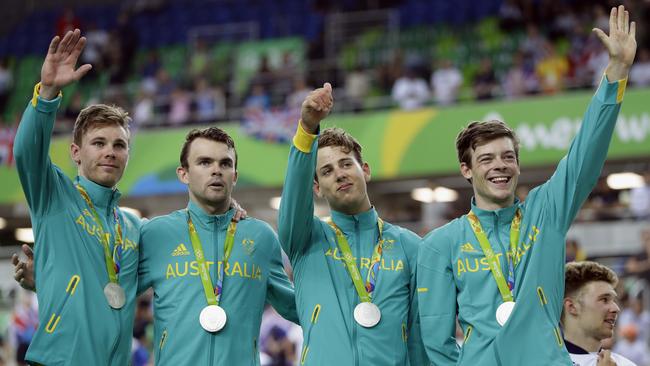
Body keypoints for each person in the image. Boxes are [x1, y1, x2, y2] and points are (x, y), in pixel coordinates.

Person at [417, 5, 636, 366]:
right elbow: (436, 343)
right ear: (466, 170)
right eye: (486, 159)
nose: (500, 166)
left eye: (507, 157)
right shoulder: (442, 244)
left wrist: (615, 74)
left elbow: (585, 157)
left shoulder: (545, 212)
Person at [13, 29, 141, 365]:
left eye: (119, 145)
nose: (110, 152)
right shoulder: (54, 195)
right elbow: (27, 152)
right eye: (98, 143)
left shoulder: (132, 226)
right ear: (76, 152)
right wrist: (48, 94)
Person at [278, 82, 426, 364]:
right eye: (326, 171)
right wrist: (307, 129)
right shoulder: (306, 238)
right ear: (317, 188)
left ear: (365, 170)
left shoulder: (410, 246)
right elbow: (294, 196)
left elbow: (420, 334)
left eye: (346, 164)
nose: (339, 174)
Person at [135, 126, 299, 364]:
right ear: (183, 174)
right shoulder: (155, 234)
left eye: (225, 164)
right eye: (204, 162)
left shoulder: (261, 236)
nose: (216, 170)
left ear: (235, 175)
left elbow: (296, 307)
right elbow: (115, 297)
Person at [563, 261, 637, 366]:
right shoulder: (545, 362)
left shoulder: (625, 364)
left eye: (613, 300)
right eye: (604, 299)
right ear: (572, 307)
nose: (616, 308)